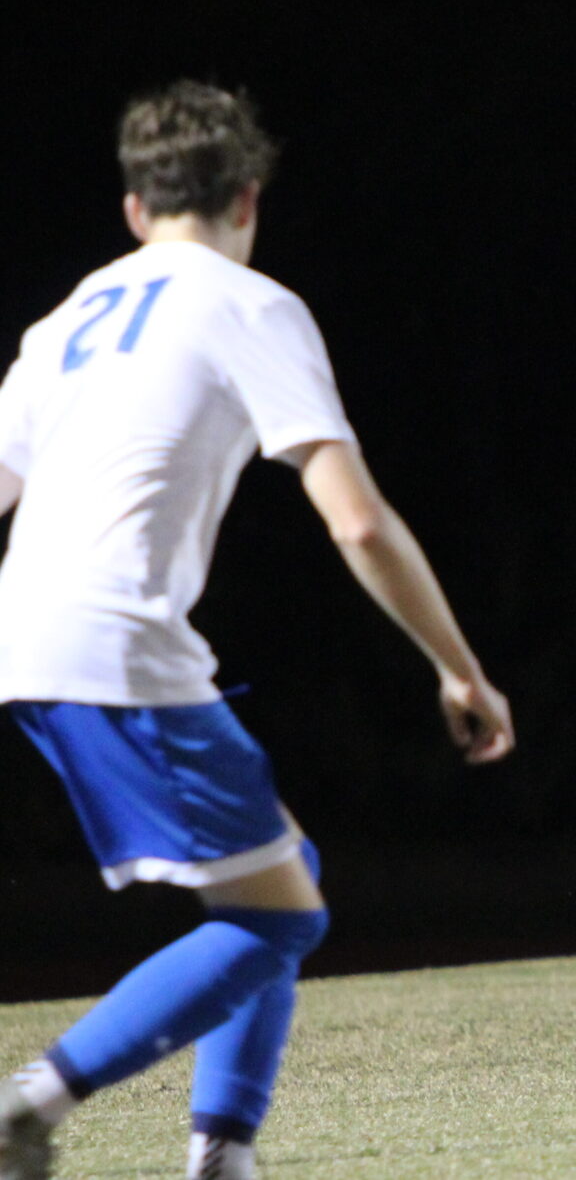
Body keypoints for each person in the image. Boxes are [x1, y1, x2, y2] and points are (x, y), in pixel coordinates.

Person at [0, 82, 513, 1180]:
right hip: (118, 640)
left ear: (137, 209)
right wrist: (459, 669)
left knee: (283, 874)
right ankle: (35, 1102)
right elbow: (360, 520)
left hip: (29, 640)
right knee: (281, 922)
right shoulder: (247, 302)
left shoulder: (65, 323)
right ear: (247, 198)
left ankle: (221, 1155)